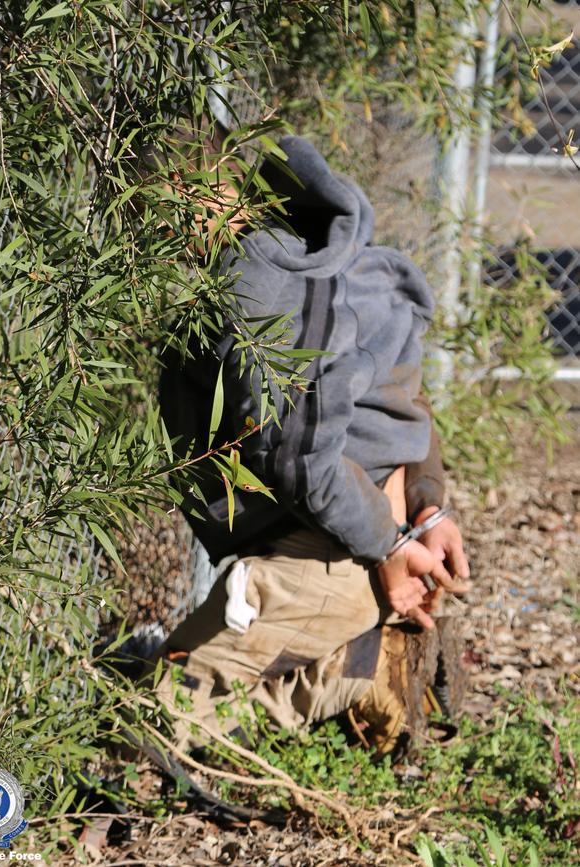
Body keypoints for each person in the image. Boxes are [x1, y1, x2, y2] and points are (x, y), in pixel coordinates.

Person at [154, 134, 470, 751]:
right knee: (173, 704)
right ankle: (360, 661)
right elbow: (407, 395)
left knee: (154, 716)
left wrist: (389, 545)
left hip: (343, 544)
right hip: (376, 517)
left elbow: (300, 455)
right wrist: (429, 505)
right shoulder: (334, 251)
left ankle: (359, 663)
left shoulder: (255, 279)